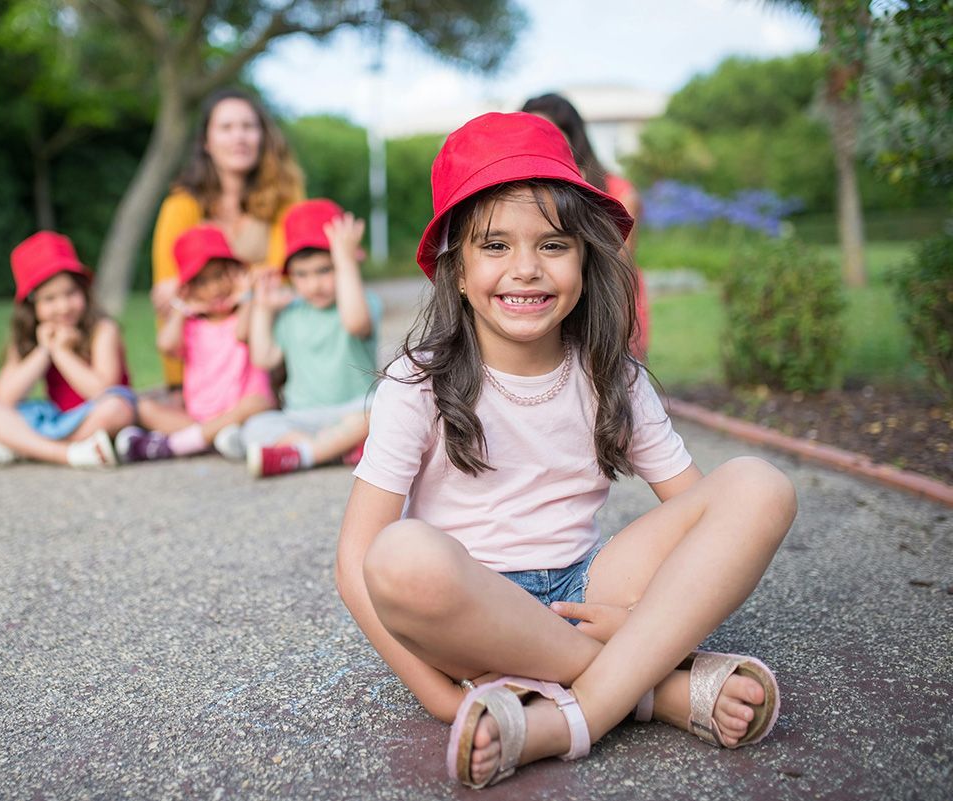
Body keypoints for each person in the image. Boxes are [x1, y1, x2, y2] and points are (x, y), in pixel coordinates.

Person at [334, 113, 797, 789]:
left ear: (584, 258)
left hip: (586, 588)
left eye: (553, 243)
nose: (525, 268)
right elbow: (356, 562)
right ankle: (651, 688)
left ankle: (566, 713)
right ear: (456, 271)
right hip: (473, 611)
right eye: (494, 245)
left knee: (760, 486)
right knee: (401, 558)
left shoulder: (613, 374)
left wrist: (634, 612)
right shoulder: (419, 383)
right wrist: (438, 694)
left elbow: (703, 516)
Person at [150, 88, 305, 391]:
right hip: (203, 367)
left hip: (267, 355)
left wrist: (208, 288)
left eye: (248, 126)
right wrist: (248, 283)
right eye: (226, 127)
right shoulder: (181, 205)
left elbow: (288, 279)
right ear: (206, 141)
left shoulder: (285, 199)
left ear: (263, 137)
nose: (239, 137)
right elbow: (169, 294)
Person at [0, 231, 136, 467]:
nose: (63, 306)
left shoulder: (103, 328)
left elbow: (102, 391)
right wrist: (44, 350)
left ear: (83, 291)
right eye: (50, 299)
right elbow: (6, 396)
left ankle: (21, 447)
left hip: (92, 417)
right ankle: (68, 454)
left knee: (118, 409)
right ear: (32, 306)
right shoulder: (29, 336)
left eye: (70, 293)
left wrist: (61, 352)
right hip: (55, 419)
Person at [235, 199, 382, 478]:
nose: (313, 284)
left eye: (325, 270)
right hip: (303, 417)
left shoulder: (362, 302)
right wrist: (263, 310)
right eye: (301, 275)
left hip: (354, 411)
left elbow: (354, 323)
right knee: (255, 426)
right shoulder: (291, 313)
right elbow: (263, 358)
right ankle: (327, 450)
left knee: (384, 408)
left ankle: (303, 455)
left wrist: (345, 259)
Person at [118, 225, 274, 462]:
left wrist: (246, 295)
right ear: (188, 288)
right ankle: (215, 439)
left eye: (220, 276)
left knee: (258, 402)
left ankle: (174, 445)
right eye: (202, 282)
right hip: (200, 417)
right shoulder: (191, 325)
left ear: (235, 274)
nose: (214, 288)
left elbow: (243, 334)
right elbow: (166, 345)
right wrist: (181, 307)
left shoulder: (245, 313)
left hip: (243, 411)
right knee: (145, 408)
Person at [521, 92, 651, 358]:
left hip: (606, 315)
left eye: (549, 133)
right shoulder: (516, 196)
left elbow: (618, 270)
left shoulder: (618, 193)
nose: (538, 144)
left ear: (573, 137)